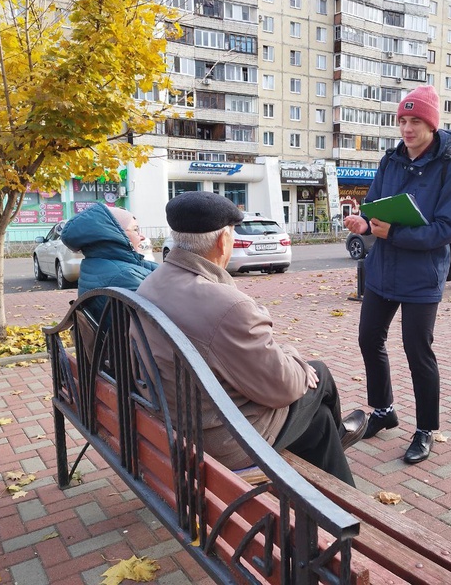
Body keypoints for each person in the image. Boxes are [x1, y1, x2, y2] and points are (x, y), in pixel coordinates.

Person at [136, 191, 366, 486]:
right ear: (223, 241)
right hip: (222, 440)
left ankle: (337, 467)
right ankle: (343, 470)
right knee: (318, 374)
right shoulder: (228, 305)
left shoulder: (152, 282)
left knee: (318, 422)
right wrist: (294, 356)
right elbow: (281, 388)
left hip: (172, 417)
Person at [344, 85, 451, 464]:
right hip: (383, 269)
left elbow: (447, 228)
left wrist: (393, 232)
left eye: (416, 120)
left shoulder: (450, 167)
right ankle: (384, 411)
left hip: (421, 275)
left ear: (431, 125)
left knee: (418, 352)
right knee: (369, 339)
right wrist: (363, 223)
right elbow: (375, 206)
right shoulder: (390, 161)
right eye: (402, 120)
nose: (407, 128)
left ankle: (426, 429)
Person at [61, 203, 158, 319]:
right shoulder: (124, 275)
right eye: (136, 229)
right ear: (117, 235)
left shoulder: (96, 263)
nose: (142, 236)